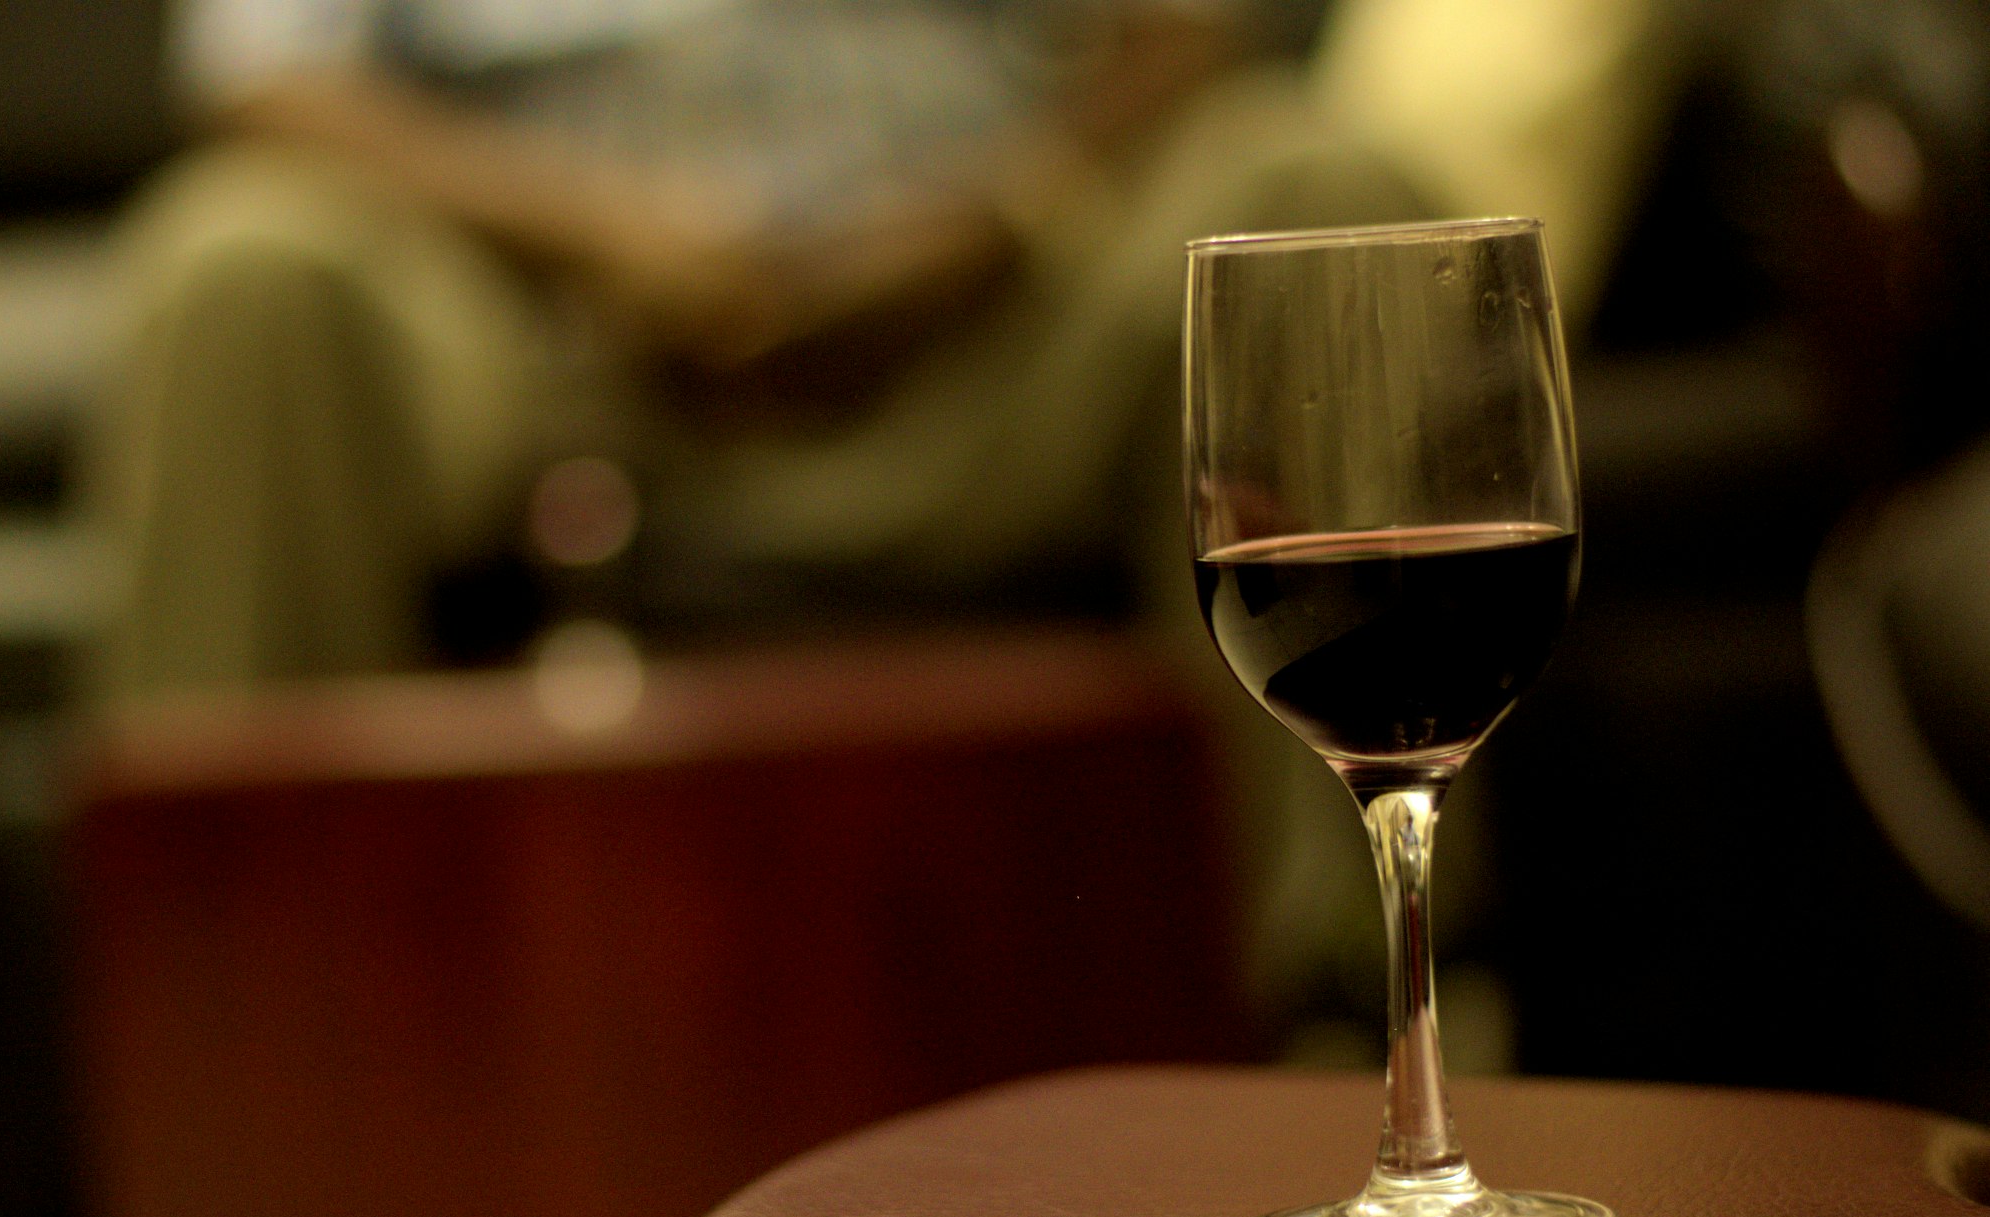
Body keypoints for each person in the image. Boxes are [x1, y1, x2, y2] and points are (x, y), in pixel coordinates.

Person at [82, 0, 1448, 696]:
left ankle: (1366, 1058)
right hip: (534, 336)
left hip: (983, 316)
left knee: (1313, 191)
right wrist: (599, 236)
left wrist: (989, 222)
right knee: (239, 265)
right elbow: (267, 78)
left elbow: (1184, 28)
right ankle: (211, 1115)